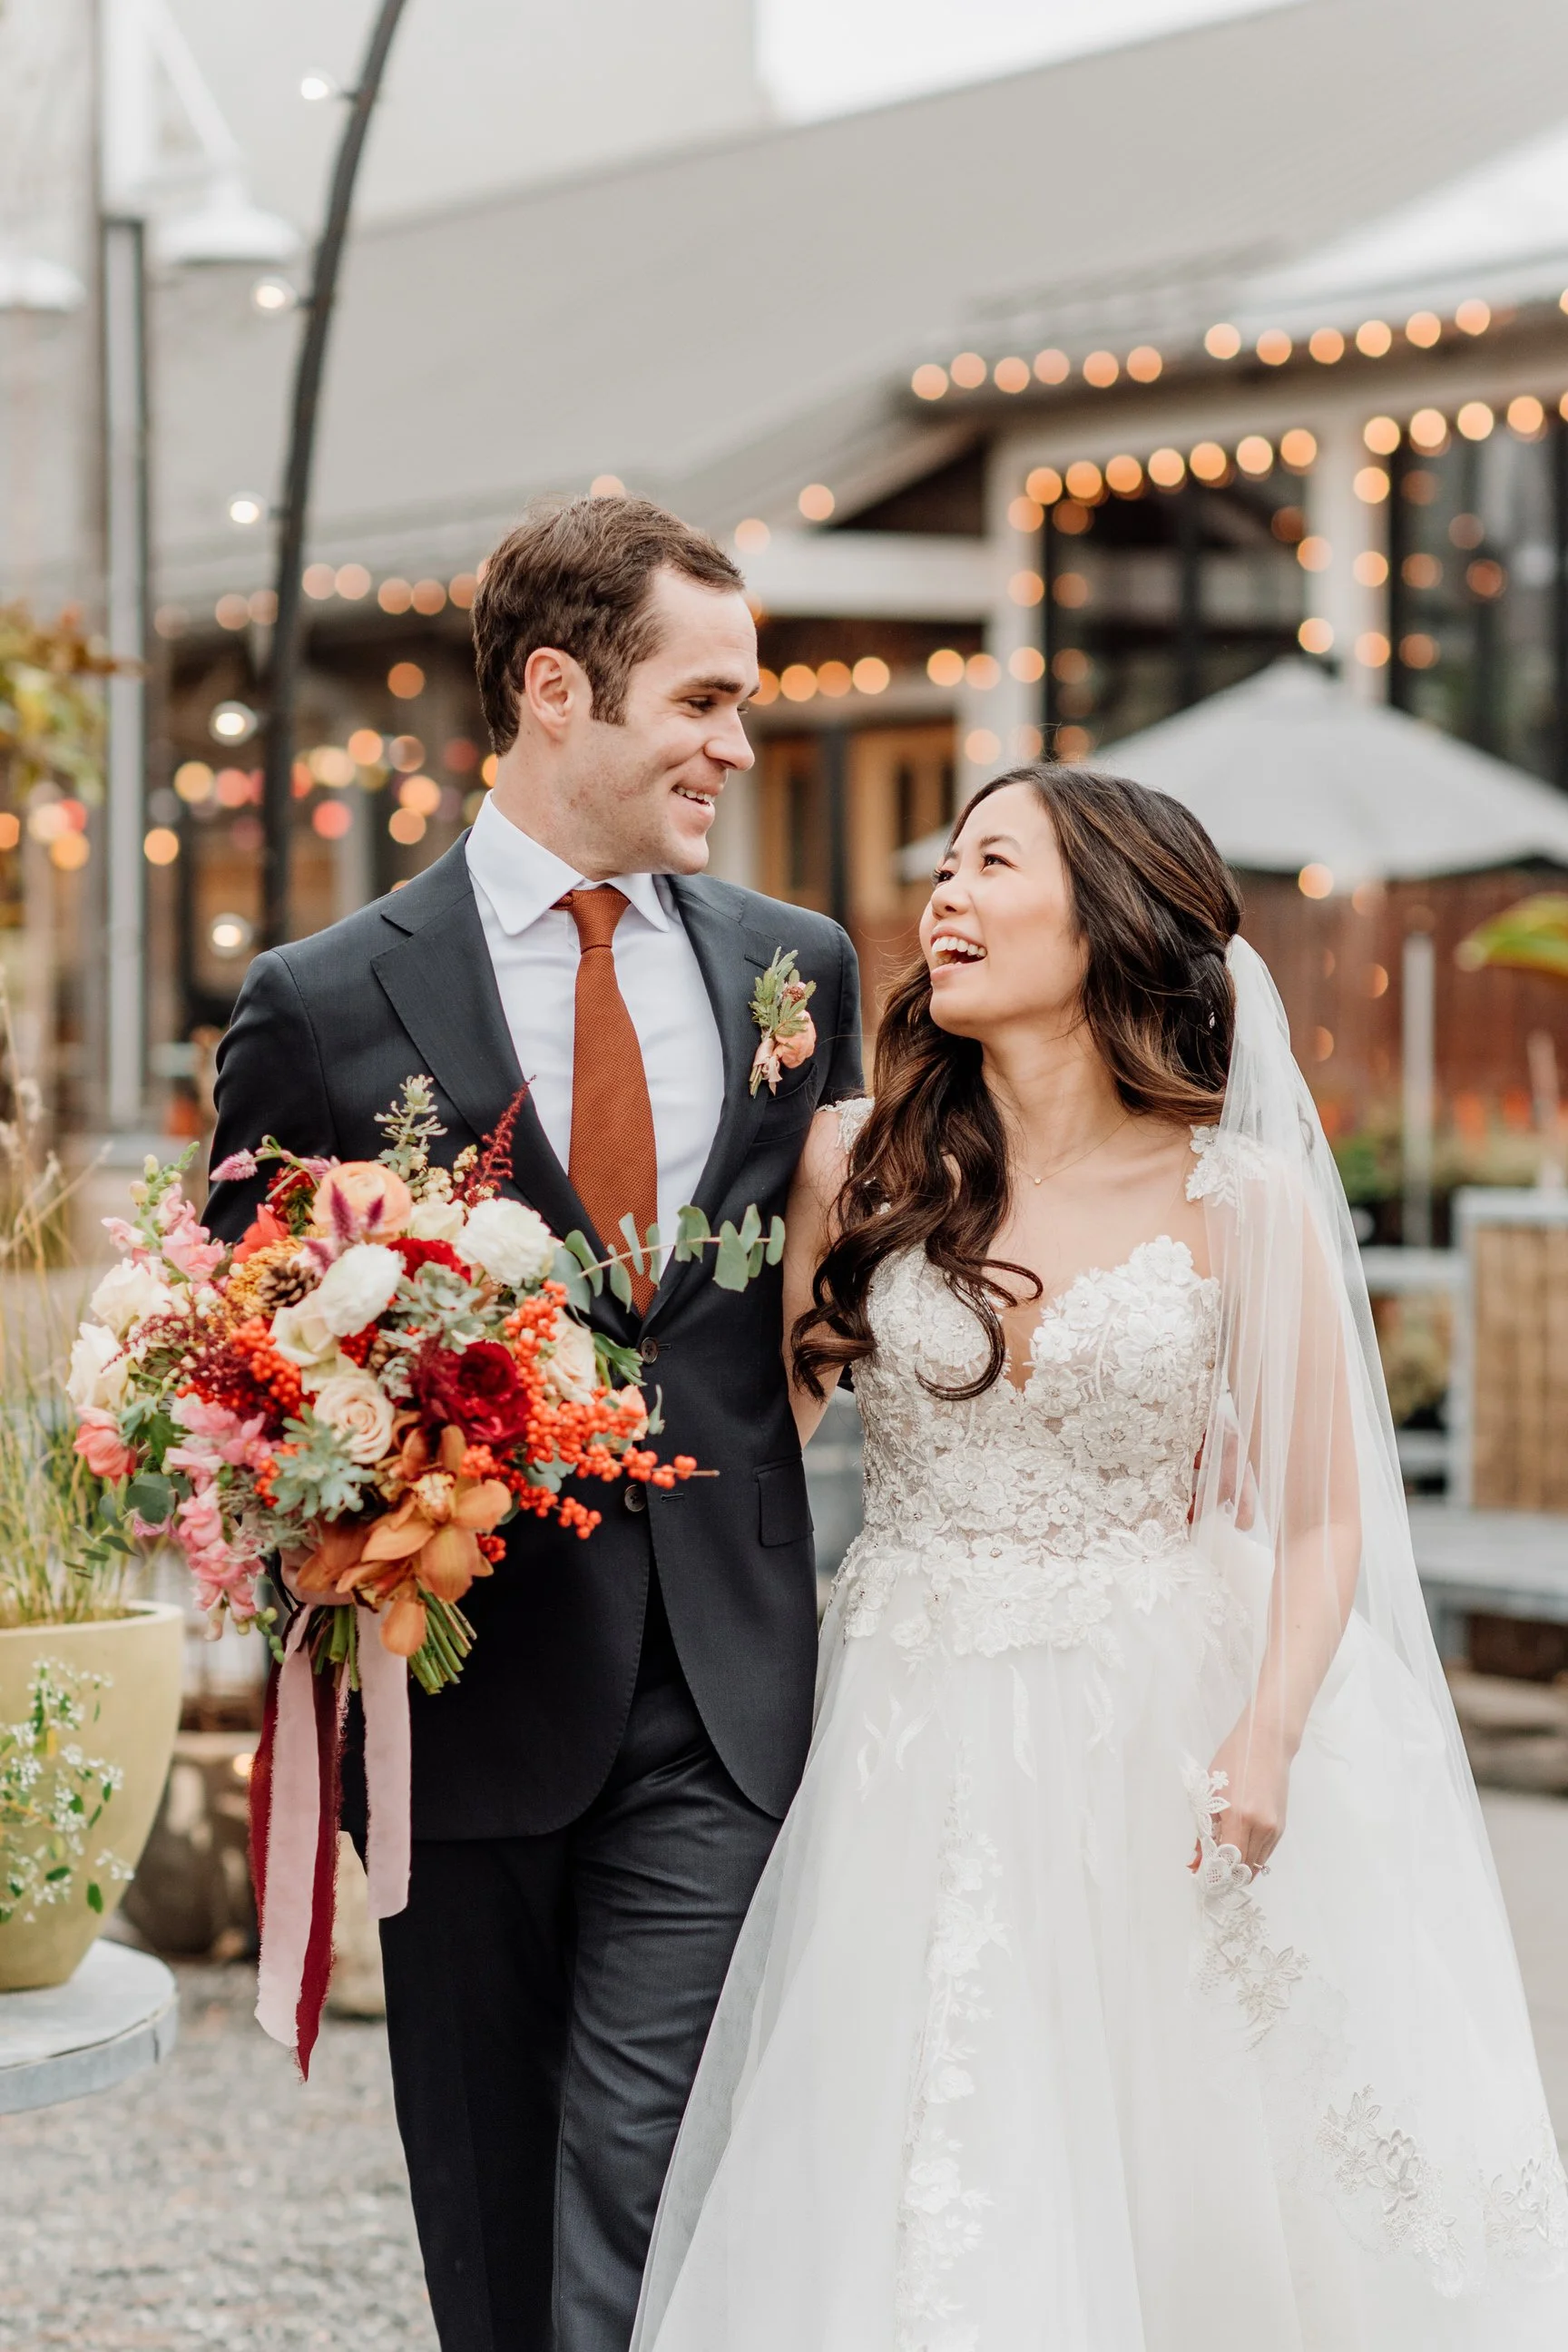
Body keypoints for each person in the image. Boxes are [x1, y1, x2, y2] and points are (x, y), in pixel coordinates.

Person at [632, 764, 1568, 2351]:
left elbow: (1327, 1516)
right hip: (908, 1717)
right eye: (941, 866)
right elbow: (751, 1449)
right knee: (922, 2119)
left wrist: (1265, 1731)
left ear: (1111, 916)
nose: (943, 898)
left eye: (993, 863)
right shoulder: (853, 1171)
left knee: (1184, 2143)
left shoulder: (1242, 1201)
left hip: (1165, 1721)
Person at [203, 496, 863, 2352]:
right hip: (459, 1686)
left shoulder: (790, 967)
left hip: (720, 1689)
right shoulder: (322, 1006)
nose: (740, 742)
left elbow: (812, 1302)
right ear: (557, 690)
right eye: (706, 697)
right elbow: (234, 1360)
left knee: (646, 2167)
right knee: (489, 2200)